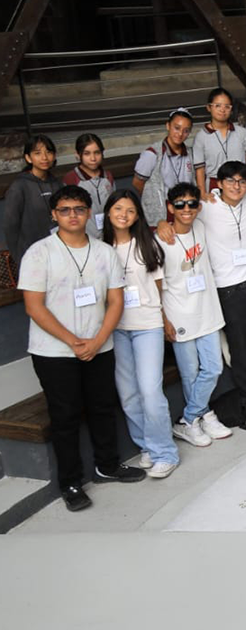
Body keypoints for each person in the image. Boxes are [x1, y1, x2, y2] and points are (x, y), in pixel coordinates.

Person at [20, 185, 145, 511]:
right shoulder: (39, 253)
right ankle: (71, 482)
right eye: (65, 210)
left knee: (102, 407)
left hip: (99, 346)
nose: (72, 215)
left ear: (89, 213)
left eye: (78, 209)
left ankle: (108, 465)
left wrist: (99, 339)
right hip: (54, 352)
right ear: (54, 214)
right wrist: (73, 341)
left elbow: (115, 301)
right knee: (66, 416)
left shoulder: (104, 252)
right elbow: (34, 306)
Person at [158, 160, 246, 423]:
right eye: (230, 180)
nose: (237, 186)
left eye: (242, 181)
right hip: (226, 289)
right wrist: (163, 222)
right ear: (218, 184)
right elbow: (181, 213)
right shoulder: (205, 206)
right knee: (239, 349)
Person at [103, 189, 181, 477]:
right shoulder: (100, 249)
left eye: (130, 210)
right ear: (108, 212)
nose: (123, 215)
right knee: (128, 394)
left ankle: (166, 453)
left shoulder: (147, 244)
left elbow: (159, 288)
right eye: (118, 209)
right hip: (117, 329)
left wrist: (164, 319)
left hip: (147, 325)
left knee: (150, 391)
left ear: (137, 216)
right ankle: (147, 445)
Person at [160, 183, 233, 449]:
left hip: (207, 311)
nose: (186, 209)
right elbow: (156, 284)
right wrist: (164, 320)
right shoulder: (160, 240)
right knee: (190, 372)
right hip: (179, 314)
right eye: (180, 204)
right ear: (170, 207)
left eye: (192, 203)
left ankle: (189, 419)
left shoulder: (201, 226)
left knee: (213, 368)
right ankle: (203, 416)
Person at [132, 108, 195, 226]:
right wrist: (153, 199)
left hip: (184, 208)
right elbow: (137, 183)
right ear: (168, 126)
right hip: (162, 211)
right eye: (177, 128)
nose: (180, 134)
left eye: (186, 130)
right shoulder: (152, 154)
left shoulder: (191, 154)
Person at [5, 134, 58, 270]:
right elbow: (10, 227)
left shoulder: (57, 184)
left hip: (57, 252)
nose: (44, 157)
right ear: (28, 158)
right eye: (37, 153)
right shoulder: (19, 186)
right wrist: (20, 258)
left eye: (48, 152)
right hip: (32, 255)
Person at [192, 87, 246, 198]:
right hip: (214, 186)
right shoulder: (201, 137)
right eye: (218, 106)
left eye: (227, 106)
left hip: (240, 185)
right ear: (209, 107)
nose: (222, 110)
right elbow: (200, 170)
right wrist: (203, 195)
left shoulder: (242, 132)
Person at [62, 133, 113, 238]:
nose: (93, 158)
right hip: (84, 236)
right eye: (87, 154)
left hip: (110, 234)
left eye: (97, 153)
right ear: (78, 154)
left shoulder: (108, 176)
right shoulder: (71, 179)